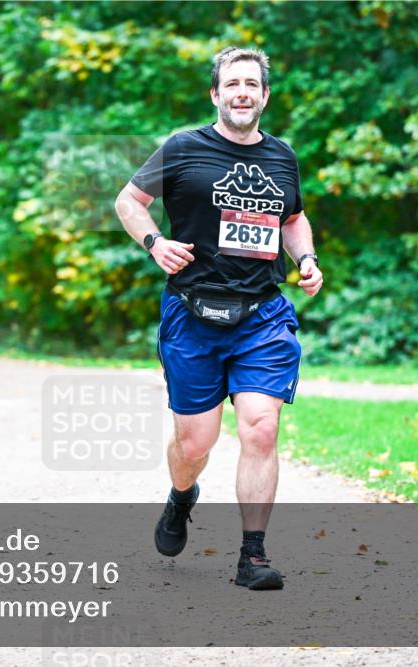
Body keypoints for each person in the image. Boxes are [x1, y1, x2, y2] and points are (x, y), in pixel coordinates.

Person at [115, 47, 323, 590]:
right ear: (216, 93)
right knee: (195, 443)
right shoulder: (184, 148)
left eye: (252, 84)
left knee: (261, 427)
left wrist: (306, 259)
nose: (242, 92)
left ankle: (252, 555)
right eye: (232, 83)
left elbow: (294, 219)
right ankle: (181, 496)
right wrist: (154, 242)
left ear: (264, 95)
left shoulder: (282, 157)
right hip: (192, 314)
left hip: (262, 314)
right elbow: (128, 202)